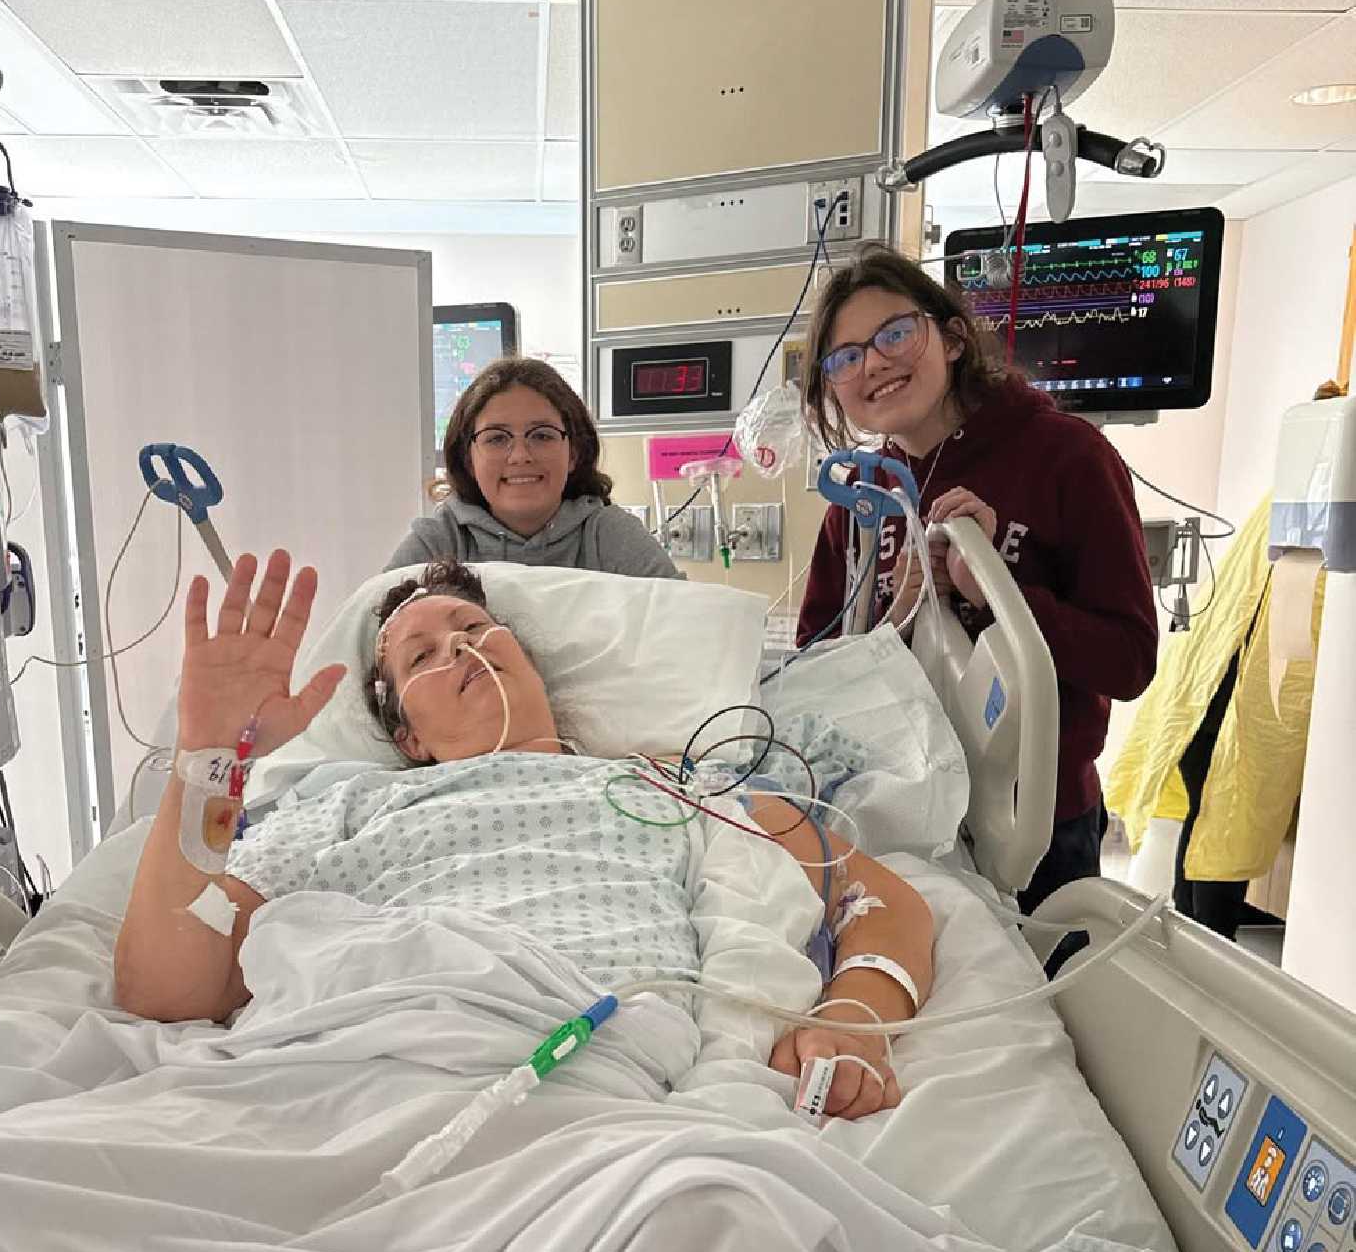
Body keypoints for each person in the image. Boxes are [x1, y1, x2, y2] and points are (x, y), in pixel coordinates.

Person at [113, 555, 934, 1122]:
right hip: (338, 1075)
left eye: (474, 627)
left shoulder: (676, 788)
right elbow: (172, 989)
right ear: (409, 739)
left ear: (531, 664)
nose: (459, 647)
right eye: (422, 657)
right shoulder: (346, 805)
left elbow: (879, 903)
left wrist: (854, 1015)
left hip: (586, 1084)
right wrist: (207, 761)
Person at [797, 243, 1157, 912]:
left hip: (1033, 827)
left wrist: (992, 596)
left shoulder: (1067, 458)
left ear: (954, 338)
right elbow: (812, 674)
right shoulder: (861, 503)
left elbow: (1129, 660)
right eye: (845, 357)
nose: (872, 363)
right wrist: (895, 615)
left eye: (894, 334)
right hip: (896, 809)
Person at [1108, 488, 1327, 940]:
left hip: (1213, 690)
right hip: (1230, 697)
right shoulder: (1306, 508)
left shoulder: (1291, 496)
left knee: (1212, 822)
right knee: (1221, 826)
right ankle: (1205, 946)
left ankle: (1194, 945)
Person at [388, 357, 681, 578]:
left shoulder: (611, 536)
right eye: (497, 438)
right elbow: (376, 626)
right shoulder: (438, 542)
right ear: (469, 459)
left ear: (574, 453)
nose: (520, 456)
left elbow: (685, 623)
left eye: (542, 435)